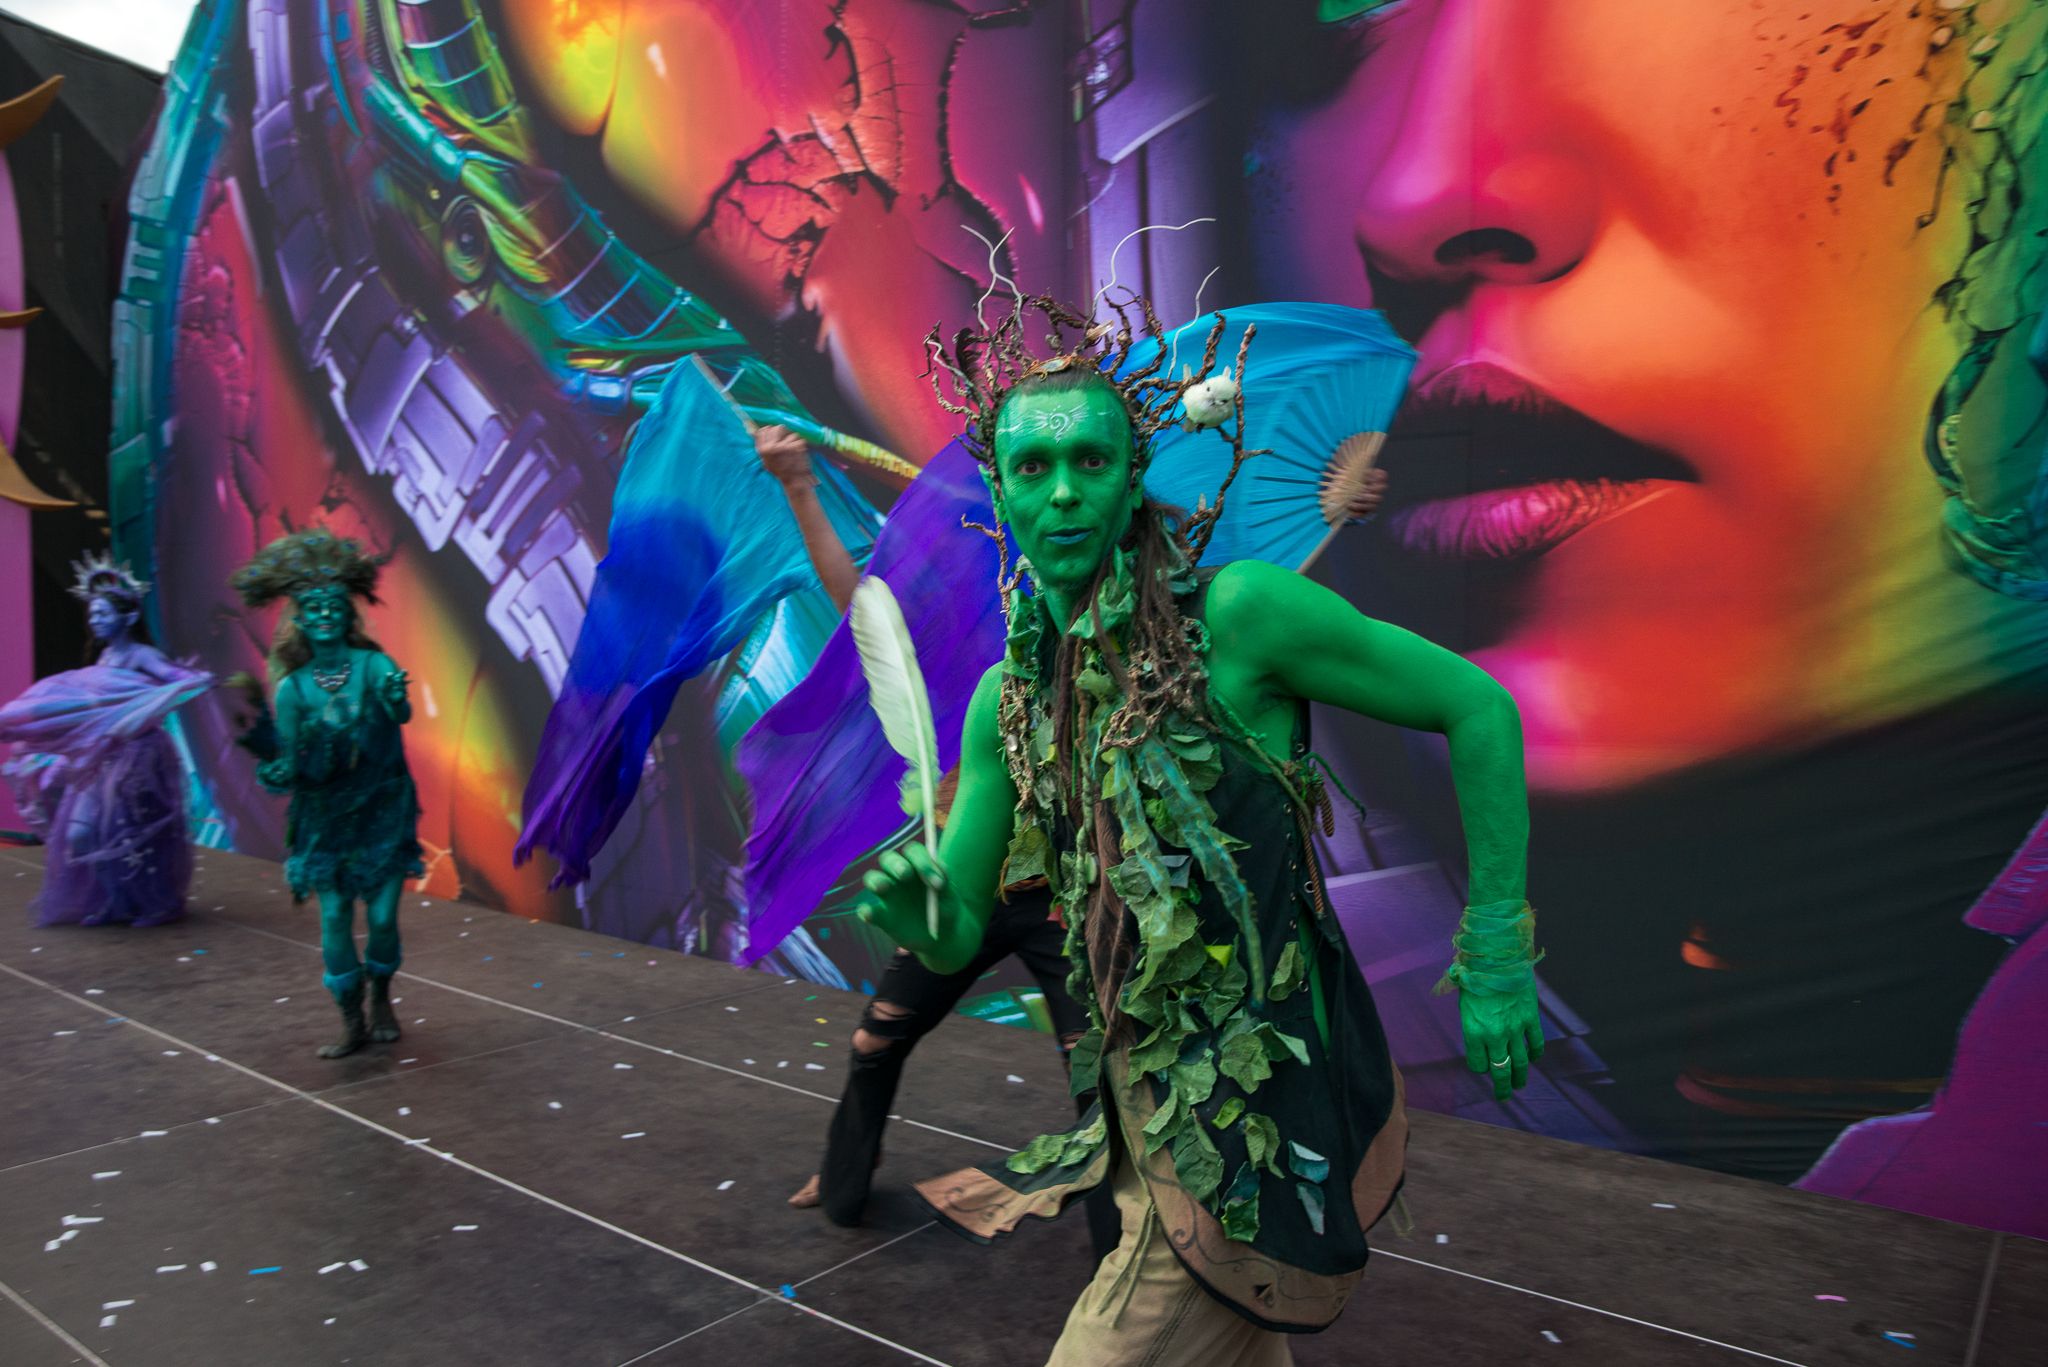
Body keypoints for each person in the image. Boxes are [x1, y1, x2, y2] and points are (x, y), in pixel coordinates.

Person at [853, 295, 1538, 1361]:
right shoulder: (1010, 701)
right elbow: (955, 938)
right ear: (1002, 493)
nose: (1064, 490)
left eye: (1091, 460)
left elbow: (1478, 707)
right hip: (1135, 1100)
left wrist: (1493, 946)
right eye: (1034, 468)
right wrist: (921, 914)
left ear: (1134, 479)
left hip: (1253, 1102)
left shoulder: (1242, 614)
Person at [229, 530, 424, 1058]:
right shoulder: (293, 689)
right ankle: (350, 1020)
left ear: (347, 614)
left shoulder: (374, 666)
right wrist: (278, 772)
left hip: (383, 808)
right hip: (326, 819)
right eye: (312, 608)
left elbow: (402, 713)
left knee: (382, 919)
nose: (324, 615)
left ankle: (381, 996)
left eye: (333, 605)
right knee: (335, 916)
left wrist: (394, 700)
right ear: (299, 620)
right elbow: (294, 763)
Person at [0, 553, 211, 928]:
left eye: (102, 613)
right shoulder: (103, 659)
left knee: (135, 835)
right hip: (104, 757)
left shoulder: (142, 655)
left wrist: (189, 682)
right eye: (92, 614)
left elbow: (178, 678)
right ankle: (113, 900)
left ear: (128, 617)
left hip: (139, 756)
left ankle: (153, 903)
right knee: (83, 834)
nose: (94, 620)